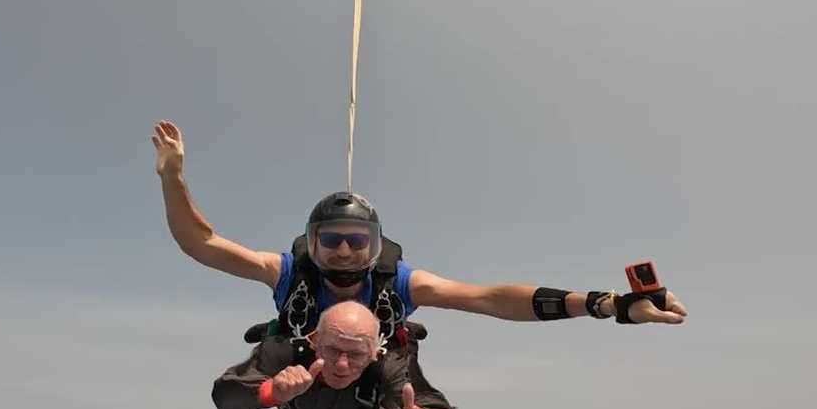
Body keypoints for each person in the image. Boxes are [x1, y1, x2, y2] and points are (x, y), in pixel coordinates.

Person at [150, 120, 688, 331]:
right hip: (298, 370)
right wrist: (172, 178)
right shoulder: (287, 271)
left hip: (380, 383)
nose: (341, 250)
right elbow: (201, 243)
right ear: (310, 244)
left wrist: (606, 303)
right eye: (329, 240)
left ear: (375, 245)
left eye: (355, 240)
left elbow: (492, 297)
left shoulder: (401, 283)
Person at [213, 302, 457, 409]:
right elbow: (225, 399)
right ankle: (273, 328)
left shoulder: (389, 364)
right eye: (332, 350)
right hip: (300, 406)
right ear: (314, 341)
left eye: (356, 354)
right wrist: (271, 392)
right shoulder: (285, 351)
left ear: (374, 352)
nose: (342, 365)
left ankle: (406, 336)